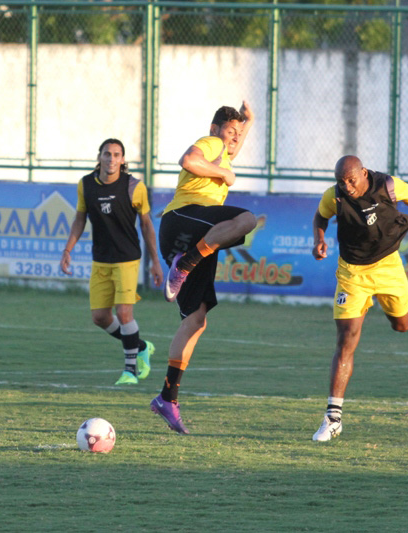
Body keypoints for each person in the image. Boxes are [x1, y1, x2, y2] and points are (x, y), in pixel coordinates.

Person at [310, 155, 408, 441]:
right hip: (352, 272)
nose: (346, 186)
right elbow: (320, 216)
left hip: (387, 264)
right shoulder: (333, 197)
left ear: (363, 172)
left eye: (351, 179)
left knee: (402, 324)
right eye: (341, 181)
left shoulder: (388, 185)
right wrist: (318, 238)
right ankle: (333, 418)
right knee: (346, 339)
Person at [151, 102, 257, 434]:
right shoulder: (211, 144)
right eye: (230, 131)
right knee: (247, 219)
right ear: (215, 130)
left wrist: (247, 123)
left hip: (194, 232)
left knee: (196, 321)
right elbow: (188, 160)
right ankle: (187, 263)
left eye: (237, 134)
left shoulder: (223, 149)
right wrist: (225, 174)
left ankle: (167, 398)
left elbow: (231, 148)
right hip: (185, 218)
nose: (234, 139)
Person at [60, 138, 163, 385]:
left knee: (124, 312)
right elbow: (80, 219)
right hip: (101, 259)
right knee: (100, 317)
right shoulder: (86, 185)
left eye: (117, 155)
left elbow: (147, 225)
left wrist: (155, 262)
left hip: (127, 258)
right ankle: (140, 346)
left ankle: (130, 371)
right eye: (107, 154)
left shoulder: (134, 187)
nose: (112, 159)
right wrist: (67, 250)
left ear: (123, 160)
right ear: (99, 157)